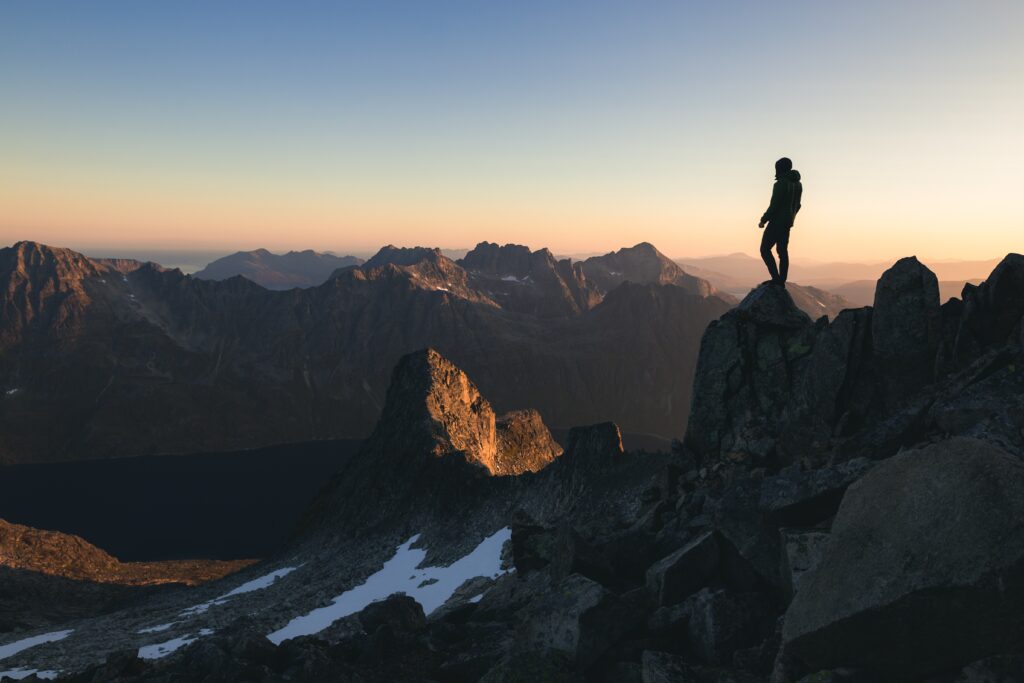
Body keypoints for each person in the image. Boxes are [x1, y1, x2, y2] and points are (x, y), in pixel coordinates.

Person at [758, 157, 802, 286]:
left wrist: (763, 220)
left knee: (765, 249)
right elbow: (798, 205)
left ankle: (776, 278)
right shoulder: (798, 184)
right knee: (782, 251)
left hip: (776, 222)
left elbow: (774, 205)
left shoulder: (781, 183)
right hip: (787, 223)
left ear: (779, 168)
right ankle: (781, 280)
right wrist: (791, 216)